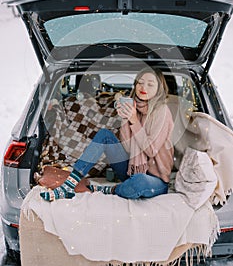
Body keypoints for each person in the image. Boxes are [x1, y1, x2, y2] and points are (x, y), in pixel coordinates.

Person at [40, 67, 174, 201]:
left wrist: (134, 121)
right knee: (104, 134)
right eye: (140, 82)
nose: (143, 87)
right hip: (130, 170)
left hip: (155, 180)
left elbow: (150, 151)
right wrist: (125, 120)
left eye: (150, 84)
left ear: (159, 89)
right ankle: (68, 186)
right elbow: (127, 148)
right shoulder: (133, 107)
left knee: (139, 182)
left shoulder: (162, 111)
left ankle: (111, 189)